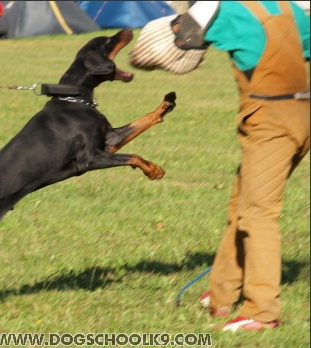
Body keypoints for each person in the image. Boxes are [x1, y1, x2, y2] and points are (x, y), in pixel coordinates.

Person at [129, 1, 310, 331]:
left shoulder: (224, 8)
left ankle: (262, 313)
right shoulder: (290, 8)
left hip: (270, 121)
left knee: (258, 214)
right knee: (240, 206)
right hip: (302, 114)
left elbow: (160, 49)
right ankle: (222, 295)